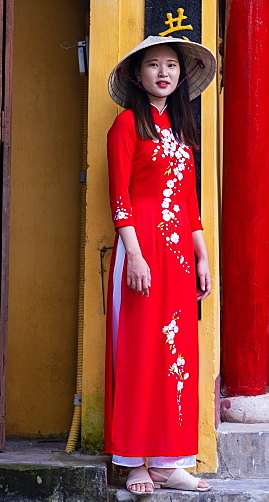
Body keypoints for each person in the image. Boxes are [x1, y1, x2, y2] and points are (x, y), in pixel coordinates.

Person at [105, 35, 217, 496]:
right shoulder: (126, 125)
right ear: (138, 75)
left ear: (182, 74)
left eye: (171, 65)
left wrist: (203, 255)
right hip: (141, 248)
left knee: (177, 355)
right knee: (138, 352)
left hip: (176, 257)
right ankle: (135, 463)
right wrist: (133, 254)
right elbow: (119, 196)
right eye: (153, 65)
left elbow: (189, 201)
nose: (163, 73)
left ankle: (170, 463)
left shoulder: (181, 129)